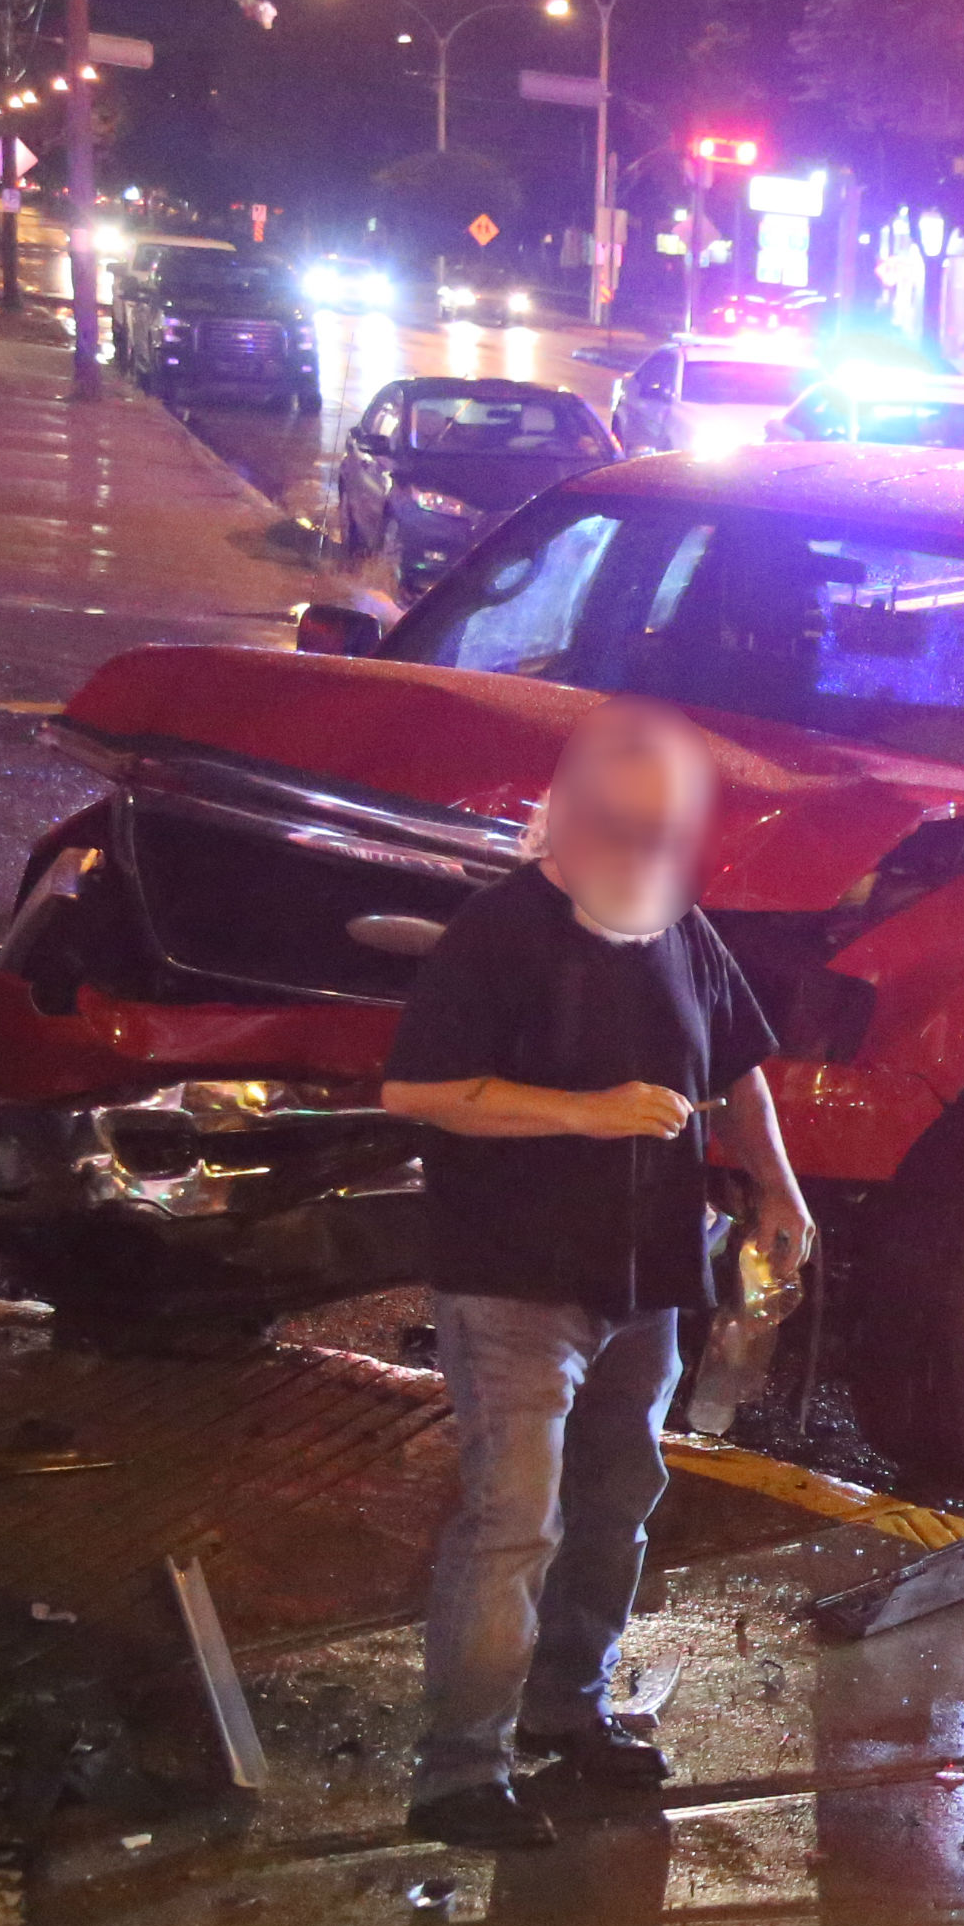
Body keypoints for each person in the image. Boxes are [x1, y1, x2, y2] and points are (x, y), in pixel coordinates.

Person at [380, 700, 815, 1849]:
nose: (641, 852)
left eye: (662, 832)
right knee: (513, 1522)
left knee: (616, 1504)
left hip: (644, 1283)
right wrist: (588, 1112)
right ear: (562, 816)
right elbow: (420, 1092)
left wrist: (778, 1189)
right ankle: (458, 1773)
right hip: (512, 1281)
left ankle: (566, 1709)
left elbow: (740, 1070)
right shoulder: (497, 932)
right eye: (619, 826)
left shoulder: (677, 924)